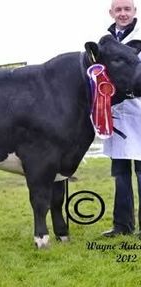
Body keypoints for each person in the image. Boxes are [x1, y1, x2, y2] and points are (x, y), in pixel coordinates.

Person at [102, 0, 141, 237]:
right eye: (119, 9)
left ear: (135, 12)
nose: (123, 13)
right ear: (111, 13)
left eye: (127, 9)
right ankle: (122, 226)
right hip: (116, 116)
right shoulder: (104, 41)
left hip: (139, 113)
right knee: (120, 174)